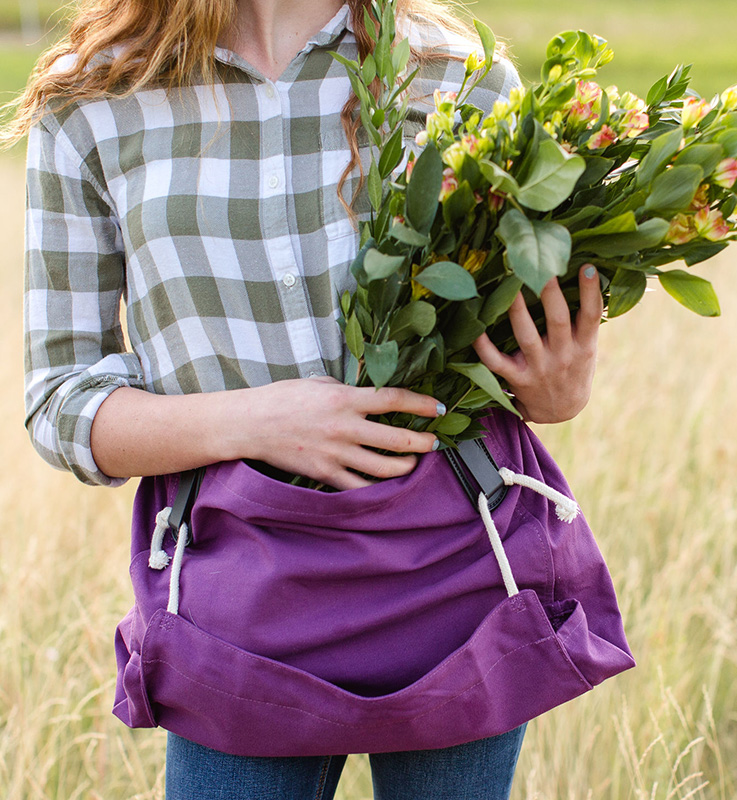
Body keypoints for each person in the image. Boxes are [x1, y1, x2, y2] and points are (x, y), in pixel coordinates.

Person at [15, 0, 603, 796]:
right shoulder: (92, 102)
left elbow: (521, 350)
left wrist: (557, 391)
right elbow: (59, 400)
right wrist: (258, 420)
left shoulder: (458, 75)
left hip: (456, 581)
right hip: (239, 609)